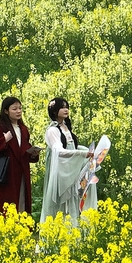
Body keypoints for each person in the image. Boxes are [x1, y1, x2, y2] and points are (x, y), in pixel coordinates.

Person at [39, 97, 96, 226]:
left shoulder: (65, 127)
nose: (66, 110)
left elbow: (72, 147)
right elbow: (59, 151)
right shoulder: (52, 130)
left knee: (73, 198)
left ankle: (72, 229)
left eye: (67, 107)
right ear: (54, 110)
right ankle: (57, 230)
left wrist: (86, 151)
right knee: (62, 202)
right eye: (62, 107)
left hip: (71, 169)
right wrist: (82, 154)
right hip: (61, 171)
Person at [0, 96, 39, 214]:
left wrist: (33, 154)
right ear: (6, 111)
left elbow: (23, 150)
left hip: (21, 173)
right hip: (6, 174)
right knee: (4, 204)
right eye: (14, 109)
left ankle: (19, 224)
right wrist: (4, 139)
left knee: (21, 201)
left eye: (20, 108)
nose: (18, 111)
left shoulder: (23, 130)